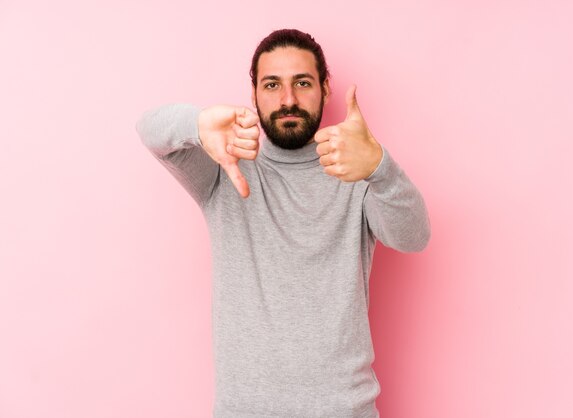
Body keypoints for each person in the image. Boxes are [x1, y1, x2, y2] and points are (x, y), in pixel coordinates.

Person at [136, 28, 430, 418]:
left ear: (325, 89)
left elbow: (414, 237)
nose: (288, 100)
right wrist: (198, 124)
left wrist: (380, 167)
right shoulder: (225, 166)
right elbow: (150, 129)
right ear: (254, 92)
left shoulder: (355, 167)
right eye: (272, 84)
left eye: (302, 83)